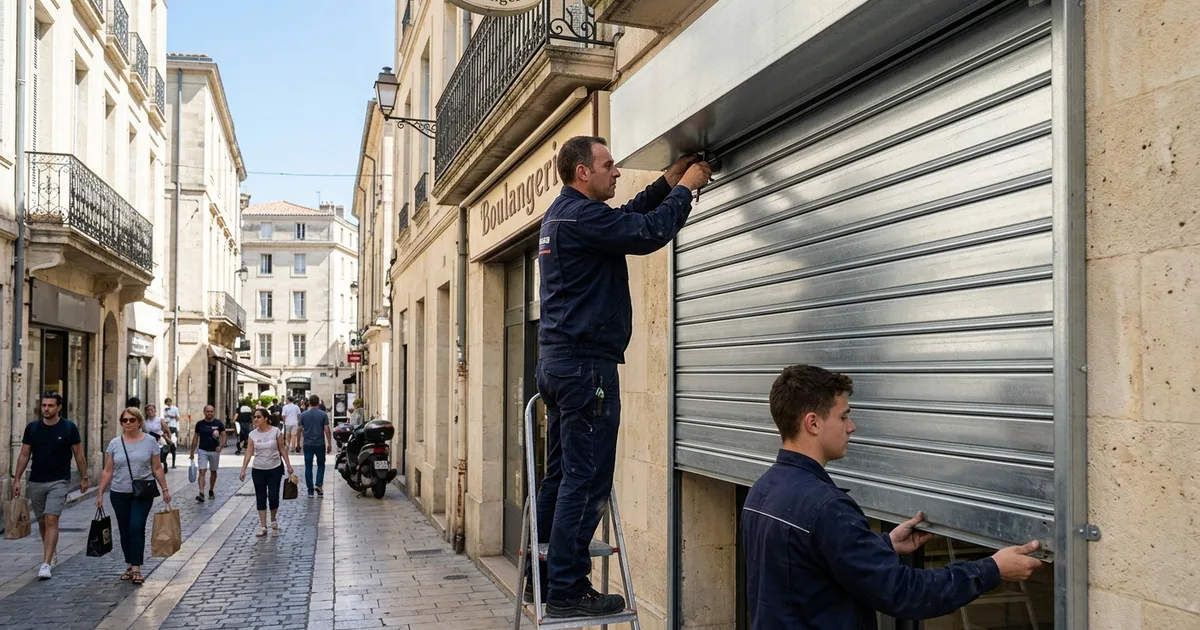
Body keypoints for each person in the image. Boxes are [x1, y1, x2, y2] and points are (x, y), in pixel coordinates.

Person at [530, 138, 710, 617]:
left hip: (559, 363)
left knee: (561, 474)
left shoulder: (565, 215)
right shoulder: (581, 217)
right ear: (582, 172)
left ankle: (542, 577)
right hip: (586, 367)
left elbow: (629, 215)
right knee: (586, 479)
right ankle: (568, 588)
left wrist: (668, 181)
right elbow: (647, 233)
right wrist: (688, 191)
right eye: (608, 165)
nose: (616, 172)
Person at [741, 365, 1045, 628]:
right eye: (844, 417)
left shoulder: (762, 491)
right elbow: (905, 594)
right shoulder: (827, 508)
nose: (852, 427)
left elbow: (808, 568)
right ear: (813, 423)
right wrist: (991, 569)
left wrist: (884, 545)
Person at [11, 392, 88, 580]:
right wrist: (17, 479)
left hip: (59, 481)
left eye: (50, 405)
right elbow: (24, 454)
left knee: (52, 519)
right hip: (36, 481)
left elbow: (78, 454)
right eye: (44, 405)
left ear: (59, 407)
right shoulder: (33, 428)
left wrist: (84, 477)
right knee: (43, 521)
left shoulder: (69, 428)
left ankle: (45, 564)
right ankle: (50, 552)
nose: (46, 408)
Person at [95, 407, 172, 585]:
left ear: (139, 422)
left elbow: (157, 468)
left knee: (136, 527)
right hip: (119, 492)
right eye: (124, 420)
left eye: (131, 420)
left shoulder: (150, 442)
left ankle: (136, 567)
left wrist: (165, 489)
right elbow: (108, 470)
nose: (127, 423)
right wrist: (100, 493)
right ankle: (129, 564)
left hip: (143, 492)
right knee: (124, 529)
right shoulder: (115, 443)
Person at [238, 408, 293, 536]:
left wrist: (288, 465)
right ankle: (263, 526)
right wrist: (243, 469)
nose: (255, 419)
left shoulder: (276, 432)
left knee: (273, 496)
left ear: (266, 418)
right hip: (258, 469)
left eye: (258, 417)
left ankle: (273, 519)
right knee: (260, 497)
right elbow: (249, 452)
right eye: (254, 417)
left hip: (275, 468)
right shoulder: (252, 434)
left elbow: (282, 449)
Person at [297, 395, 332, 497]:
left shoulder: (304, 415)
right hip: (319, 443)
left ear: (309, 403)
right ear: (318, 403)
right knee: (321, 464)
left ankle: (310, 490)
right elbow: (326, 430)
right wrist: (329, 443)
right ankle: (319, 484)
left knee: (308, 466)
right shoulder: (323, 414)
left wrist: (298, 444)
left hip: (307, 444)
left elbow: (299, 429)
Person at [188, 405, 224, 503]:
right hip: (202, 450)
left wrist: (220, 446)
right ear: (204, 412)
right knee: (202, 471)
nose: (209, 413)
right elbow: (195, 438)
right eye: (208, 411)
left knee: (213, 471)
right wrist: (192, 452)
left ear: (214, 412)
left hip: (214, 451)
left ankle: (211, 489)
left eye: (211, 411)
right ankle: (201, 493)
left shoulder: (218, 423)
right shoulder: (200, 424)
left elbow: (224, 436)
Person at [163, 398, 181, 468]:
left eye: (169, 402)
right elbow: (164, 417)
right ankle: (165, 463)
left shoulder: (175, 408)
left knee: (173, 446)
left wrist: (171, 416)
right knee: (166, 446)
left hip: (173, 427)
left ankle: (173, 463)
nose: (168, 403)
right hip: (167, 426)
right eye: (167, 402)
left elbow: (177, 418)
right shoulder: (164, 409)